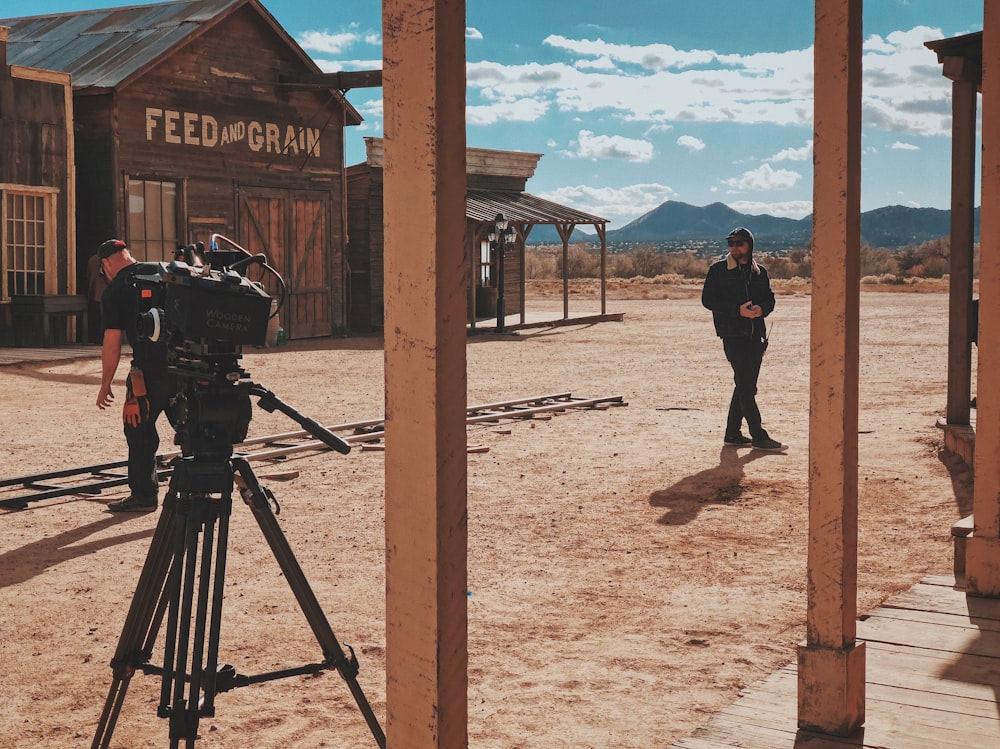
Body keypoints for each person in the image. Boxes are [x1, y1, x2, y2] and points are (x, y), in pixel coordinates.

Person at [96, 239, 176, 511]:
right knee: (194, 430)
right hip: (185, 368)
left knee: (138, 431)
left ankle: (144, 496)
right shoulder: (166, 271)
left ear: (106, 263)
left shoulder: (115, 290)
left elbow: (112, 342)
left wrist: (106, 383)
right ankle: (202, 490)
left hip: (147, 374)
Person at [701, 227, 786, 451]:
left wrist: (761, 310)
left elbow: (769, 300)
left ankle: (732, 433)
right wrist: (736, 311)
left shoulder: (760, 272)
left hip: (756, 335)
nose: (734, 247)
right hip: (732, 335)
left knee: (745, 385)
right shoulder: (718, 270)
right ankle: (758, 435)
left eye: (739, 243)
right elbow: (708, 300)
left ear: (749, 245)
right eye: (731, 243)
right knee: (747, 386)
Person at [86, 250, 107, 344]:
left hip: (94, 291)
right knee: (104, 317)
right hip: (105, 292)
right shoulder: (107, 260)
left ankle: (95, 338)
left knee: (96, 316)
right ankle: (101, 338)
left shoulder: (92, 259)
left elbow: (88, 275)